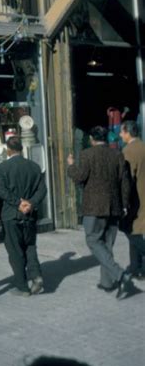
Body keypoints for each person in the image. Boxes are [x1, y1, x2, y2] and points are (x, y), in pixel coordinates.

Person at [67, 125, 133, 297]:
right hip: (114, 207)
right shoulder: (118, 154)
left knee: (93, 241)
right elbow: (124, 182)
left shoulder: (87, 154)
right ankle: (107, 282)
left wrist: (71, 166)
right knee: (107, 244)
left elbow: (79, 177)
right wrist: (124, 205)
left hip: (94, 208)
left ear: (91, 139)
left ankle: (119, 274)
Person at [0, 137, 46, 297]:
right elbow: (42, 190)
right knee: (30, 245)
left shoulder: (3, 167)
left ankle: (22, 286)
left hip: (11, 214)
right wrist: (30, 203)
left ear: (8, 150)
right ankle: (36, 275)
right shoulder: (34, 166)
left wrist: (18, 203)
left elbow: (2, 191)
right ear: (22, 149)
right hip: (29, 214)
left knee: (15, 250)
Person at [120, 120, 145, 279]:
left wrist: (123, 201)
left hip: (135, 197)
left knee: (129, 229)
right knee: (135, 230)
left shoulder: (128, 151)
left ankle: (138, 266)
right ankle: (137, 268)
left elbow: (127, 178)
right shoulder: (143, 146)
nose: (120, 135)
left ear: (128, 133)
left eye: (122, 132)